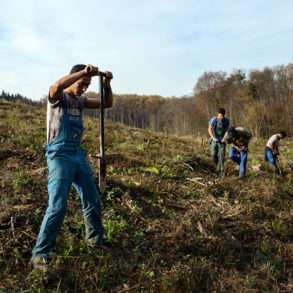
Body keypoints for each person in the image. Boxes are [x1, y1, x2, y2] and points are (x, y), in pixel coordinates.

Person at [31, 64, 113, 271]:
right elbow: (56, 85)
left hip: (77, 154)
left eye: (87, 84)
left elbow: (107, 104)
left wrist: (107, 84)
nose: (84, 87)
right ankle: (40, 254)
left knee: (92, 200)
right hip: (59, 155)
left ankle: (95, 243)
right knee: (58, 206)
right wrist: (82, 73)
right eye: (81, 83)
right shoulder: (58, 98)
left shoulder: (80, 101)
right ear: (73, 78)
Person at [208, 108, 230, 175]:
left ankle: (220, 169)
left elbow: (227, 131)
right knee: (213, 154)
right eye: (219, 115)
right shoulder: (213, 120)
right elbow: (209, 129)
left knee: (222, 156)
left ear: (224, 115)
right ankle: (216, 165)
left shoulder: (226, 121)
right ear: (217, 114)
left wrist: (224, 138)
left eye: (222, 116)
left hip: (222, 140)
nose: (220, 117)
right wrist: (213, 137)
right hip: (214, 139)